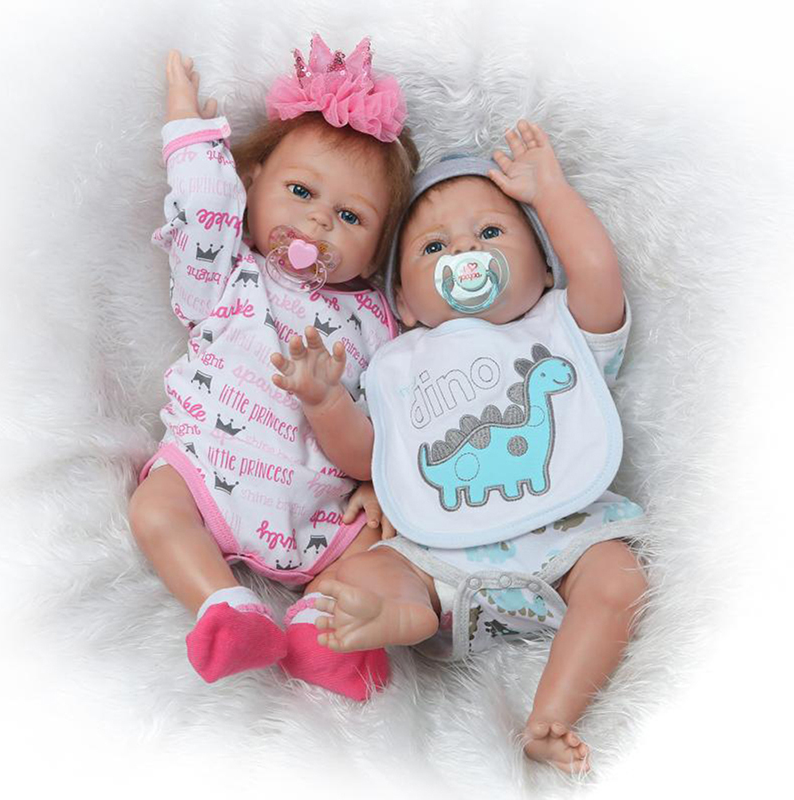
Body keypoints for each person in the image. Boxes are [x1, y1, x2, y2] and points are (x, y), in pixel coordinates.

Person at [271, 120, 648, 773]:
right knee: (357, 571)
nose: (465, 251)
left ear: (544, 266)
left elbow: (596, 269)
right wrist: (325, 401)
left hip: (565, 545)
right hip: (439, 563)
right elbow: (368, 460)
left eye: (492, 233)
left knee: (621, 578)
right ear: (403, 301)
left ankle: (551, 715)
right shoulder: (399, 362)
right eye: (434, 246)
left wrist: (550, 191)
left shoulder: (561, 326)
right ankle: (401, 612)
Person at [127, 34, 419, 702]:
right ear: (252, 183)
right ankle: (226, 609)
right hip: (207, 469)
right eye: (301, 191)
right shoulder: (227, 275)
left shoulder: (377, 322)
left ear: (379, 249)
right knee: (155, 508)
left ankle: (322, 633)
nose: (317, 222)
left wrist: (381, 483)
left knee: (381, 549)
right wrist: (187, 127)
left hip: (320, 507)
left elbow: (396, 427)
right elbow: (202, 208)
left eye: (350, 216)